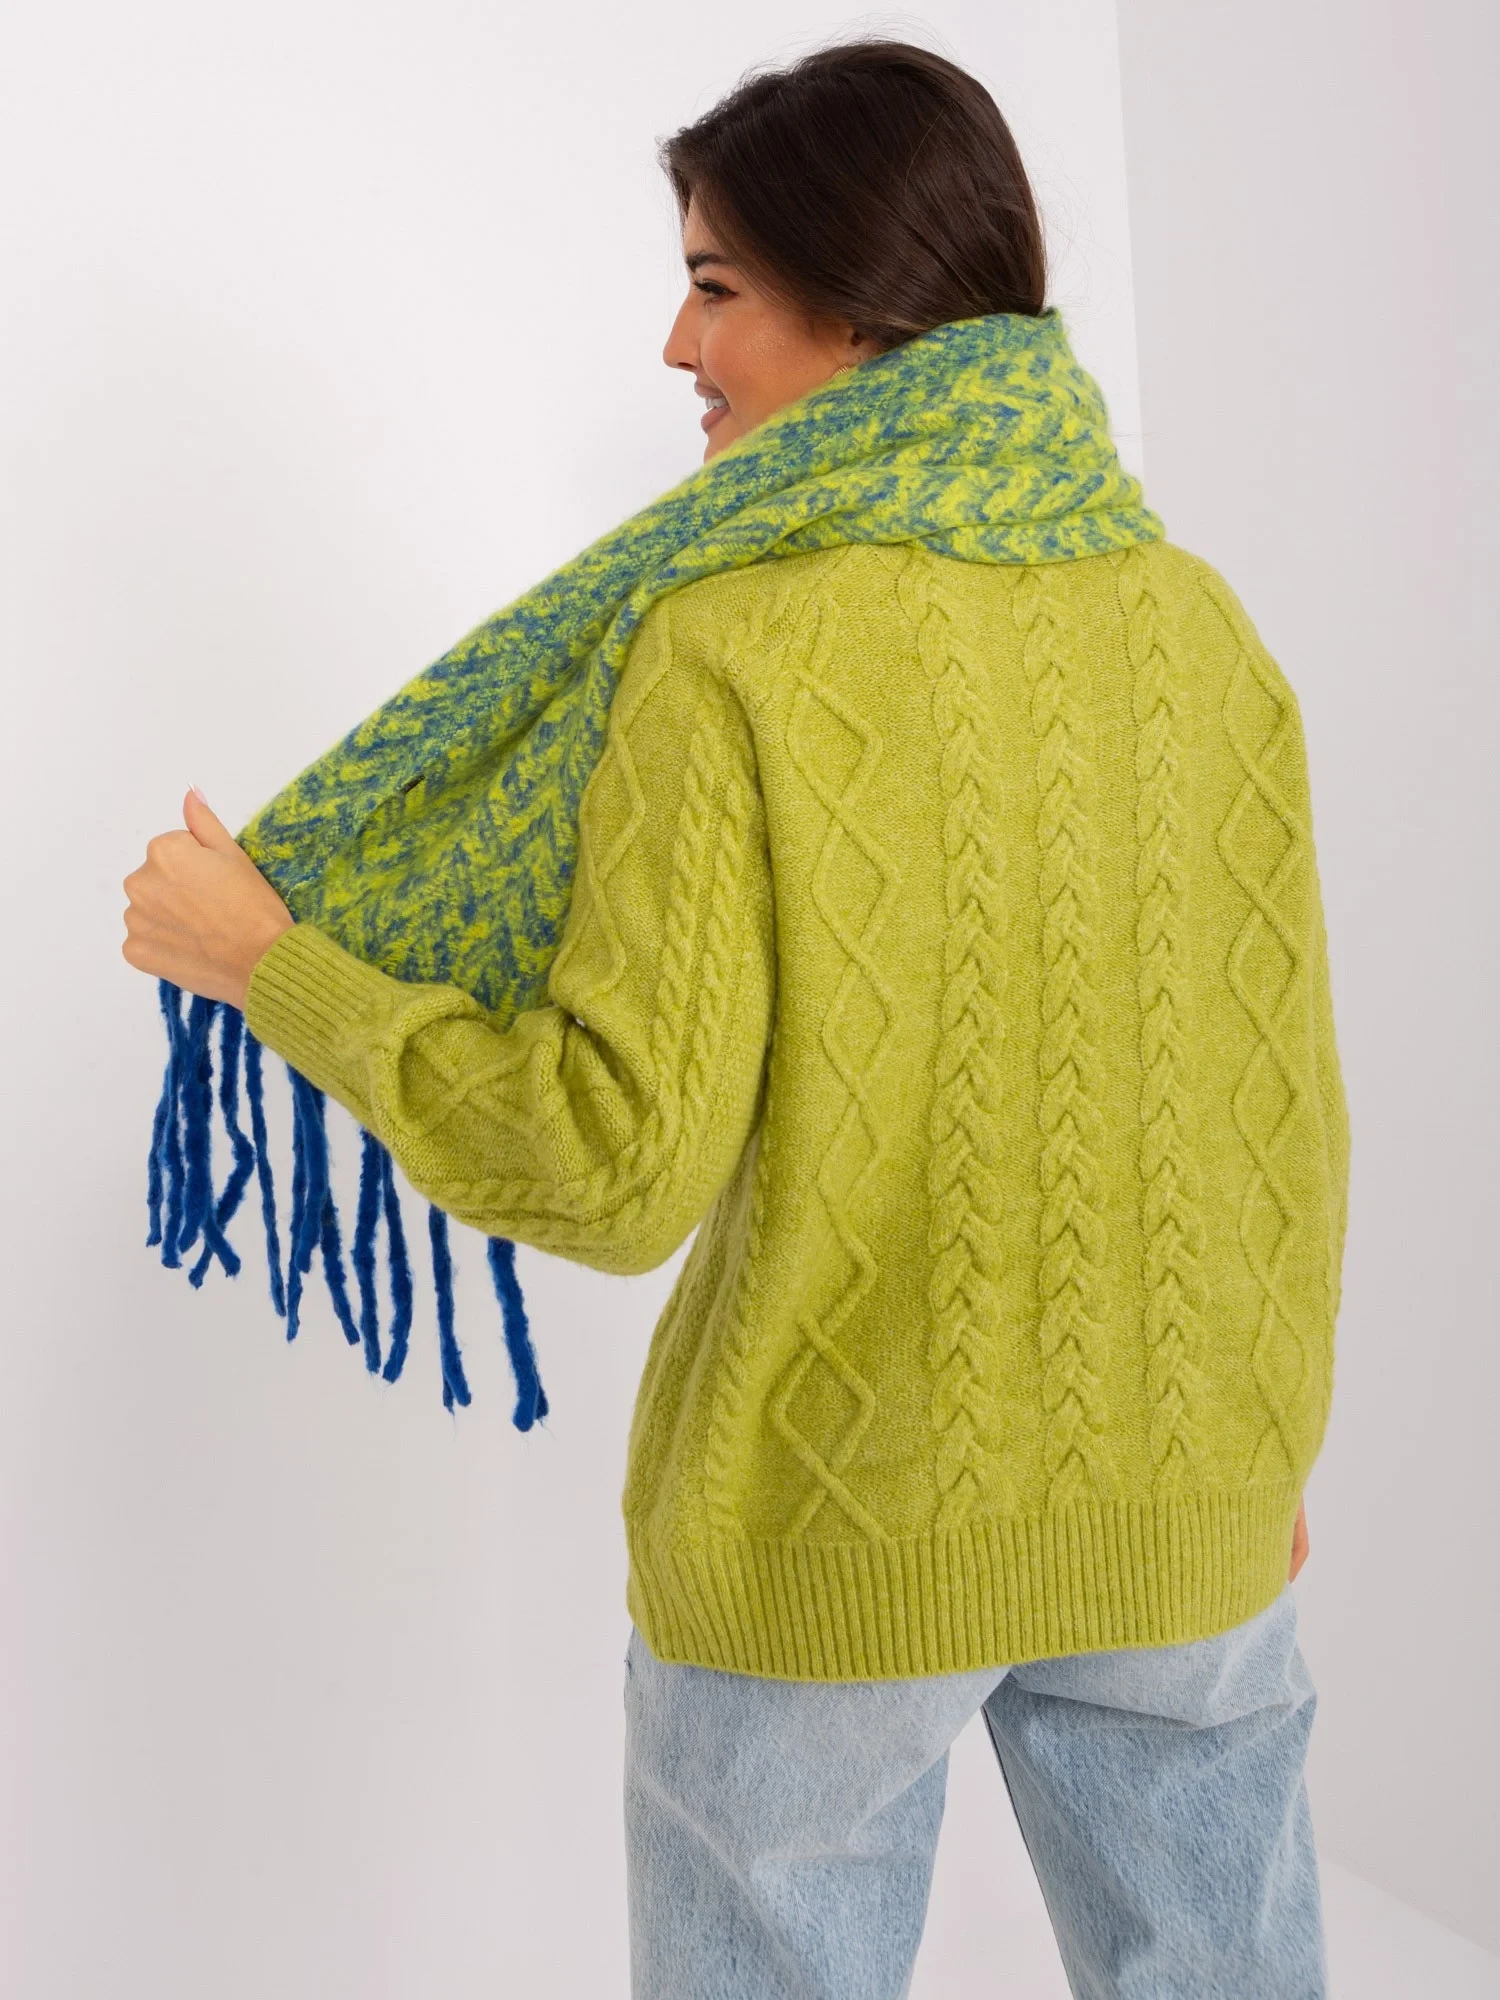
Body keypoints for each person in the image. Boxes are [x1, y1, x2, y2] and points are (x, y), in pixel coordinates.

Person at [122, 39, 1347, 2000]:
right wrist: (1266, 1450)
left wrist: (281, 967)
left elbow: (612, 1168)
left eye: (713, 284)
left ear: (857, 303)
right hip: (1195, 1510)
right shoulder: (1200, 628)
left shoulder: (726, 645)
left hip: (823, 1539)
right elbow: (1274, 1117)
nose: (677, 345)